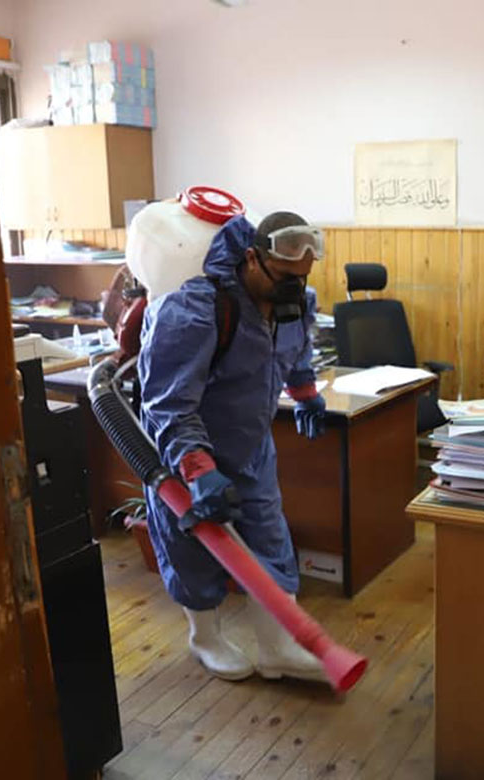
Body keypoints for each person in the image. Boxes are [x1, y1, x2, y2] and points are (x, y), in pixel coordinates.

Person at [138, 210, 329, 681]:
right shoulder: (198, 310)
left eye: (301, 278)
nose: (294, 288)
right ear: (252, 259)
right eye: (285, 277)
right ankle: (205, 638)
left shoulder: (296, 304)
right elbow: (167, 404)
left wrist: (304, 394)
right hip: (184, 456)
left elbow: (296, 351)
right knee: (192, 550)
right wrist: (199, 470)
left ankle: (276, 648)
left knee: (269, 541)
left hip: (251, 446)